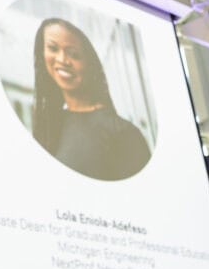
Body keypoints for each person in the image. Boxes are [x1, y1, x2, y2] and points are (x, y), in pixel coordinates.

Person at [31, 17, 151, 180]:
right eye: (53, 48)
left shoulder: (124, 133)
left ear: (90, 64)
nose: (62, 60)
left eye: (74, 54)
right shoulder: (49, 124)